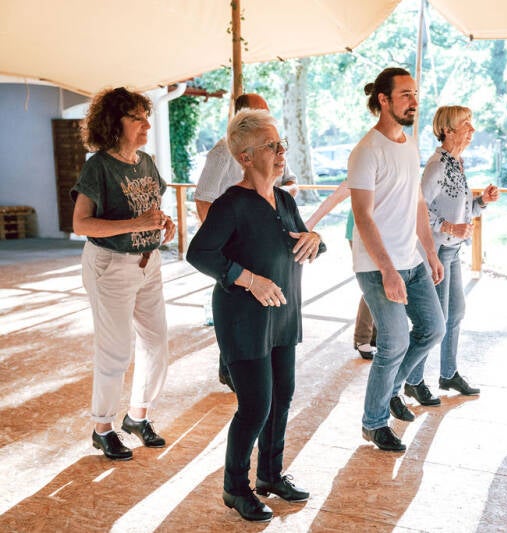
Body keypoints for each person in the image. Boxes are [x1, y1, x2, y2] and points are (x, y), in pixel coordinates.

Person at [187, 109, 324, 521]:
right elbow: (200, 253)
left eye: (281, 144)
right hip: (243, 319)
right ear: (245, 158)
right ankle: (235, 487)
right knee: (255, 406)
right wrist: (248, 278)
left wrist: (316, 238)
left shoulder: (283, 199)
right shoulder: (232, 204)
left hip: (282, 315)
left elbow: (303, 243)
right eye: (271, 146)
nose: (282, 152)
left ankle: (269, 475)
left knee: (282, 399)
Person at [71, 87, 175, 460]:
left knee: (157, 343)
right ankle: (103, 428)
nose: (147, 123)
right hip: (110, 266)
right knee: (115, 351)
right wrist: (135, 224)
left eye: (146, 116)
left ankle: (138, 416)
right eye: (137, 117)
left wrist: (164, 223)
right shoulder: (99, 165)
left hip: (149, 263)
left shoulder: (145, 162)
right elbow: (81, 223)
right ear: (115, 123)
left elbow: (149, 206)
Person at [349, 67, 446, 452]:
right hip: (377, 265)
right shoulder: (366, 152)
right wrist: (389, 271)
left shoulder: (409, 144)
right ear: (383, 100)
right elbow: (363, 216)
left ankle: (390, 390)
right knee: (393, 341)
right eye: (405, 94)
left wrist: (430, 250)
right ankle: (373, 423)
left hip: (412, 259)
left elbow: (417, 202)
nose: (414, 101)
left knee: (433, 329)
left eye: (415, 94)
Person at [194, 93, 298, 391]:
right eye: (258, 115)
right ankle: (231, 367)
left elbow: (290, 182)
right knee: (239, 313)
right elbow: (203, 200)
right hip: (235, 243)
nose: (267, 120)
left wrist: (282, 201)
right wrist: (223, 240)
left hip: (266, 234)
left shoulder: (274, 151)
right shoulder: (220, 154)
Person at [409, 105, 499, 397]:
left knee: (456, 313)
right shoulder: (437, 165)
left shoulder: (457, 163)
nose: (472, 129)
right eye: (466, 124)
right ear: (447, 130)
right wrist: (450, 227)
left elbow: (463, 210)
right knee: (434, 321)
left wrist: (482, 201)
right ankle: (413, 381)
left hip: (453, 250)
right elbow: (418, 211)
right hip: (435, 253)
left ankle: (448, 374)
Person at [305, 182, 377, 360]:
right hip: (361, 233)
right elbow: (334, 199)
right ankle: (362, 338)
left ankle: (376, 334)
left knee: (381, 284)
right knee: (374, 284)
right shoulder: (363, 165)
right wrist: (307, 225)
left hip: (383, 234)